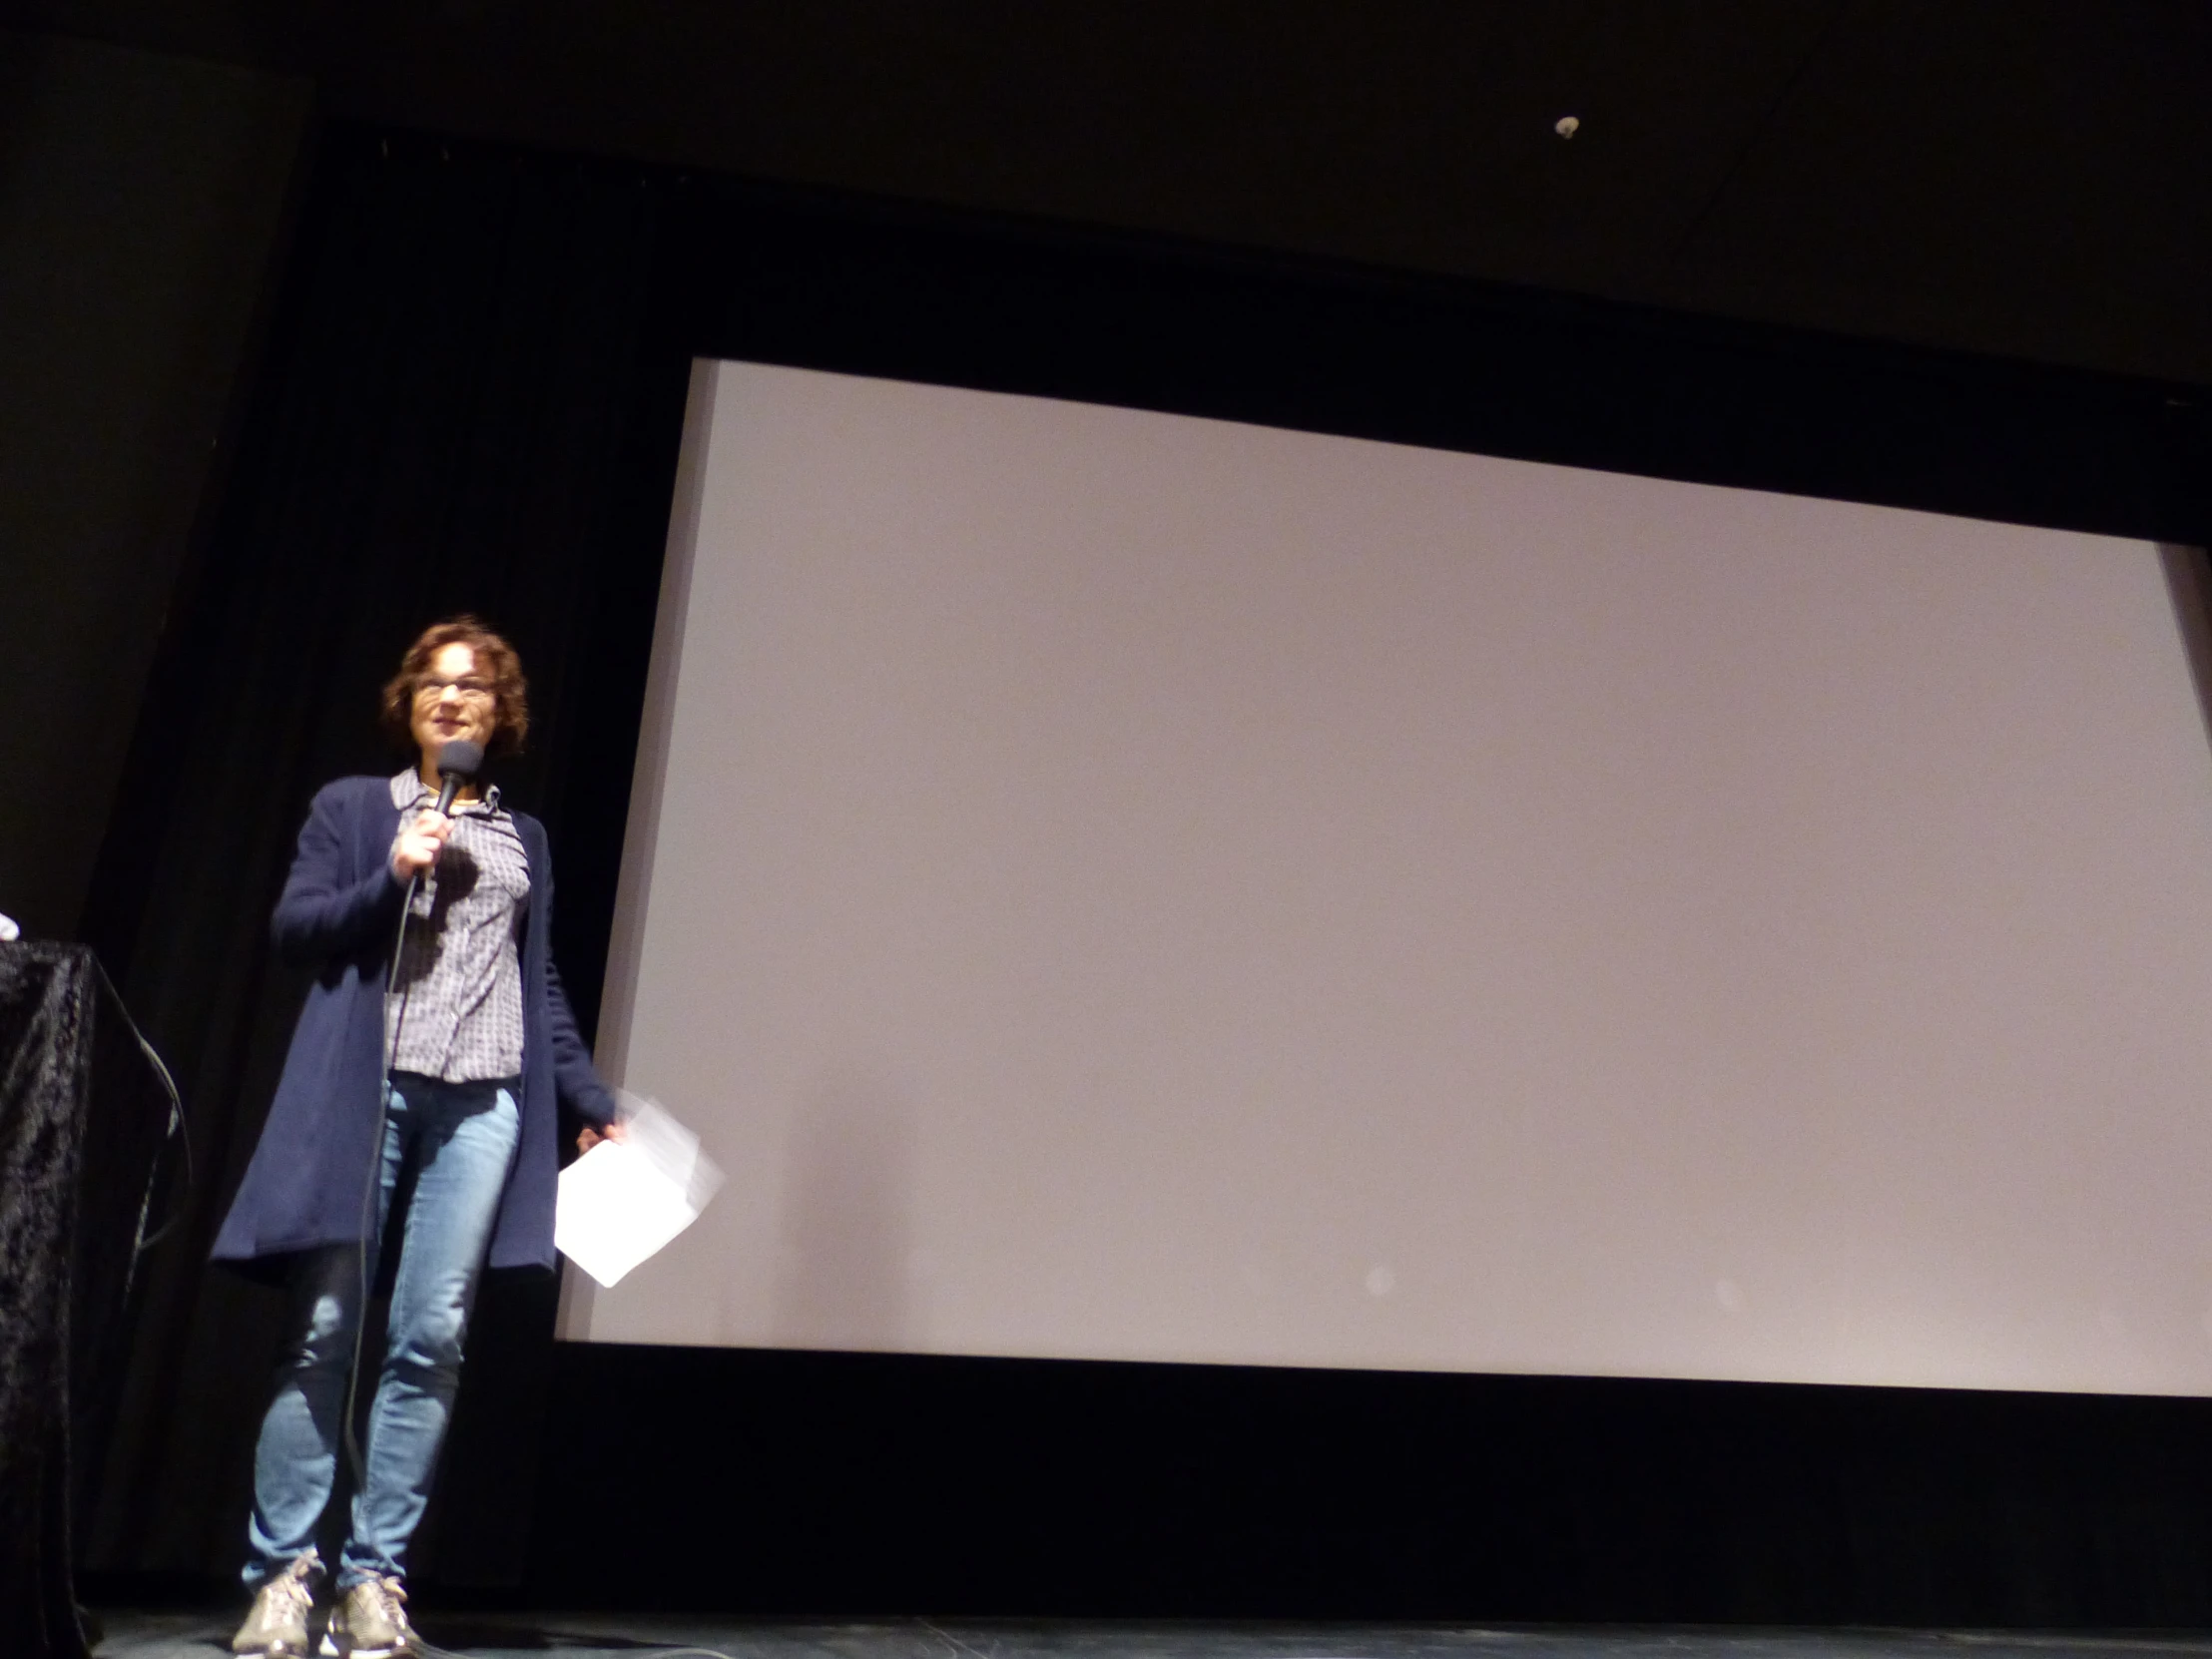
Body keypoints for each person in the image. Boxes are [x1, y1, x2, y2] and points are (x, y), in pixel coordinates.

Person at [214, 618, 624, 1659]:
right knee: (324, 1334)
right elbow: (295, 930)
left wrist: (585, 1097)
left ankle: (374, 1581)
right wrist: (390, 872)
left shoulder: (522, 840)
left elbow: (541, 989)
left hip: (482, 1107)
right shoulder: (356, 809)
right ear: (409, 703)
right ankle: (284, 1578)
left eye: (474, 687)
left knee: (429, 1342)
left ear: (500, 715)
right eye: (435, 684)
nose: (452, 699)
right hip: (370, 1094)